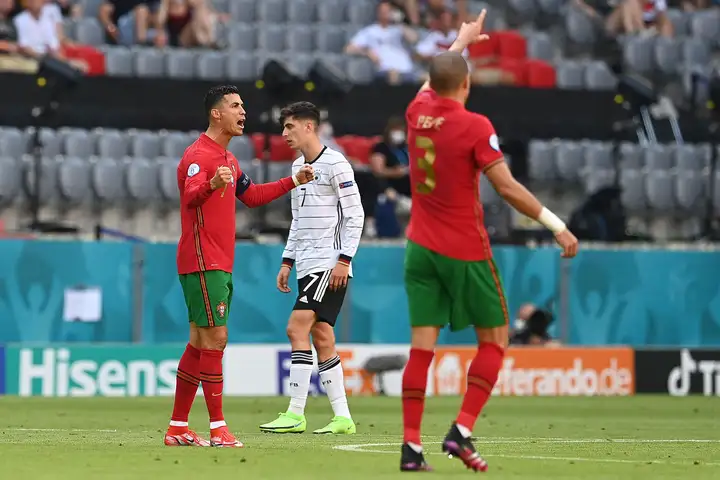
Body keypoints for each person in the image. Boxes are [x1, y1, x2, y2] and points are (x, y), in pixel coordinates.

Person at [399, 10, 579, 472]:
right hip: (463, 248)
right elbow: (507, 188)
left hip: (418, 248)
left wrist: (459, 42)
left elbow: (436, 77)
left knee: (421, 348)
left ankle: (411, 447)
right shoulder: (475, 125)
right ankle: (460, 431)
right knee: (495, 340)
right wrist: (556, 224)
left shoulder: (416, 113)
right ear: (467, 85)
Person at [164, 85, 315, 448]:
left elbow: (252, 196)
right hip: (203, 259)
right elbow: (190, 196)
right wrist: (211, 184)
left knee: (200, 341)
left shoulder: (229, 159)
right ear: (216, 113)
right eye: (234, 106)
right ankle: (218, 429)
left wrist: (294, 180)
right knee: (216, 338)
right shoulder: (199, 155)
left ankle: (178, 427)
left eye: (242, 106)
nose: (242, 111)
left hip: (218, 260)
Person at [259, 101, 364, 435]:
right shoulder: (297, 167)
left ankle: (295, 412)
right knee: (322, 336)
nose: (284, 133)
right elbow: (298, 220)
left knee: (296, 328)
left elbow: (355, 214)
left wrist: (344, 259)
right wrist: (287, 260)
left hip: (328, 262)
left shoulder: (336, 164)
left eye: (290, 126)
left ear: (309, 126)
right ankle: (343, 418)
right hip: (306, 263)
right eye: (283, 127)